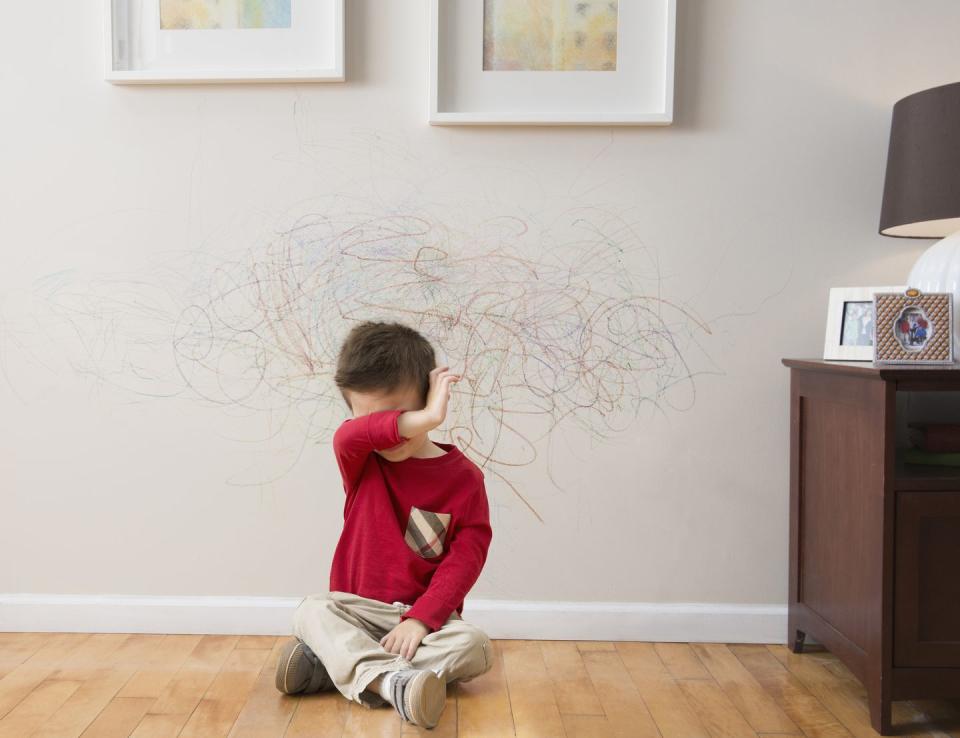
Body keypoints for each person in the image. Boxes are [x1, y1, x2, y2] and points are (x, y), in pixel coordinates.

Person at [274, 320, 494, 729]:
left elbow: (466, 559)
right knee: (312, 610)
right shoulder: (360, 462)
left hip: (423, 623)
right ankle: (393, 682)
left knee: (475, 646)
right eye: (374, 423)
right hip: (355, 613)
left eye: (402, 415)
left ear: (428, 396)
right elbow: (352, 436)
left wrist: (421, 619)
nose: (390, 437)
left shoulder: (464, 479)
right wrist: (424, 416)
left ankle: (336, 666)